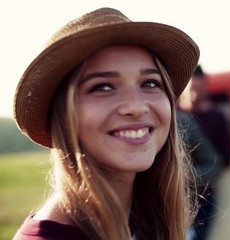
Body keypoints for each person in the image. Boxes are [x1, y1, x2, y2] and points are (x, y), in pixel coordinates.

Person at [12, 7, 200, 240]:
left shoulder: (144, 221)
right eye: (103, 87)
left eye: (150, 83)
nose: (136, 106)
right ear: (62, 115)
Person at [178, 65, 230, 240]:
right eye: (190, 89)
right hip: (172, 194)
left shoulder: (217, 118)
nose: (194, 94)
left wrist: (190, 175)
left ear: (206, 86)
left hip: (203, 195)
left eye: (198, 88)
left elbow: (223, 160)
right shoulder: (172, 116)